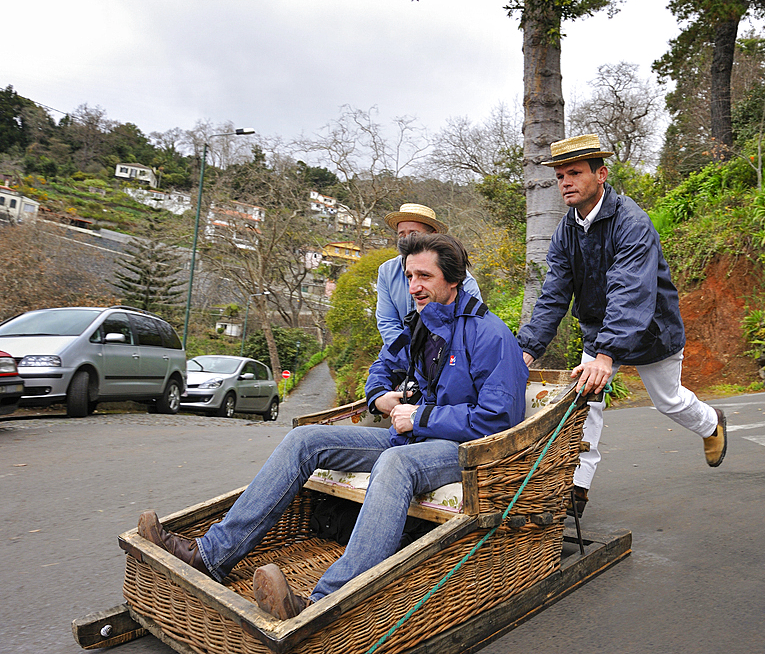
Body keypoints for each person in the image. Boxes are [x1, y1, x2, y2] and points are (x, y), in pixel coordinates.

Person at [138, 233, 528, 620]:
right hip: (412, 436)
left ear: (453, 278)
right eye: (409, 277)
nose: (414, 287)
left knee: (396, 463)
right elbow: (381, 368)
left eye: (424, 276)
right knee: (305, 439)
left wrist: (421, 416)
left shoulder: (490, 334)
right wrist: (379, 396)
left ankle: (324, 602)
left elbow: (498, 419)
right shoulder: (419, 326)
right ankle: (210, 556)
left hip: (464, 450)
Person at [517, 134, 728, 517]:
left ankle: (711, 423)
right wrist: (526, 349)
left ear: (601, 175)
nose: (565, 181)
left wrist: (606, 355)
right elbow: (553, 294)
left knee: (669, 401)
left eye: (575, 172)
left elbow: (630, 292)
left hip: (651, 332)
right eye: (560, 175)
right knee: (586, 404)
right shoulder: (566, 231)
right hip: (600, 335)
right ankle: (575, 490)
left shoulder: (632, 222)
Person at [377, 203, 481, 347]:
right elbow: (388, 322)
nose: (407, 240)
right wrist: (408, 359)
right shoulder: (387, 271)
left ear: (433, 236)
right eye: (402, 235)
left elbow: (472, 326)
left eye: (414, 234)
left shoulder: (461, 278)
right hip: (402, 359)